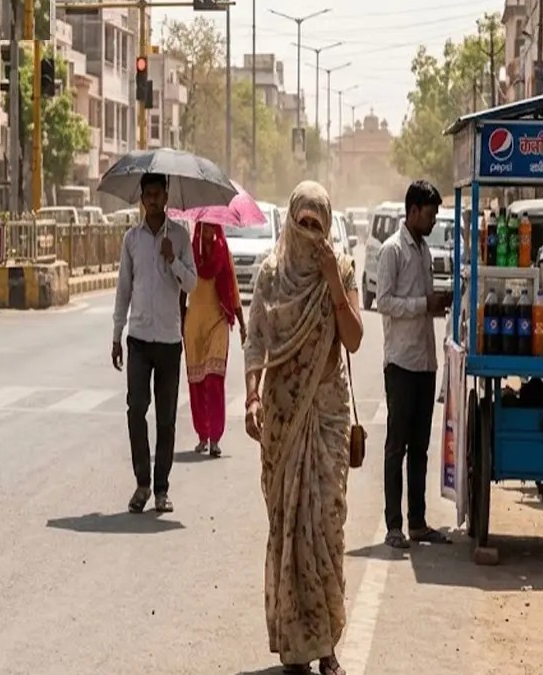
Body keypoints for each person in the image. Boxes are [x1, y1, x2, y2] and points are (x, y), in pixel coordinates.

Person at [243, 181, 363, 675]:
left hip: (328, 414)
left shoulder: (344, 269)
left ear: (328, 225)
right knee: (287, 528)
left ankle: (326, 644)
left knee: (325, 527)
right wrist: (251, 395)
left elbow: (354, 339)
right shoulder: (271, 276)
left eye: (318, 224)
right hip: (283, 415)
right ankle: (294, 644)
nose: (310, 233)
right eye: (303, 223)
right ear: (291, 221)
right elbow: (256, 342)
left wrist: (334, 279)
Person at [112, 172, 198, 514]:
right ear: (142, 199)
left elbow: (192, 283)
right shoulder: (131, 239)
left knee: (166, 418)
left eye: (156, 194)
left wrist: (172, 259)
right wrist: (116, 334)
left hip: (168, 340)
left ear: (166, 197)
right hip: (138, 338)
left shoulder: (179, 237)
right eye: (146, 195)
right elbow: (123, 290)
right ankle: (142, 483)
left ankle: (162, 489)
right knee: (136, 410)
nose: (151, 200)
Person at [376, 179, 450, 548]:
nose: (435, 219)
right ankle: (394, 525)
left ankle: (417, 522)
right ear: (414, 211)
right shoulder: (392, 250)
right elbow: (384, 301)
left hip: (424, 361)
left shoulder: (423, 251)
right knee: (397, 446)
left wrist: (437, 303)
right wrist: (424, 305)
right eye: (431, 213)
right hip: (401, 362)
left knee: (420, 447)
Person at [184, 220, 246, 457]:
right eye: (204, 227)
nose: (208, 232)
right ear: (198, 229)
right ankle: (202, 434)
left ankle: (215, 437)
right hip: (194, 324)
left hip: (218, 321)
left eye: (212, 227)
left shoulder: (223, 253)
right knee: (197, 382)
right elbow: (182, 288)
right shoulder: (190, 254)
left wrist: (242, 324)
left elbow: (233, 288)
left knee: (213, 380)